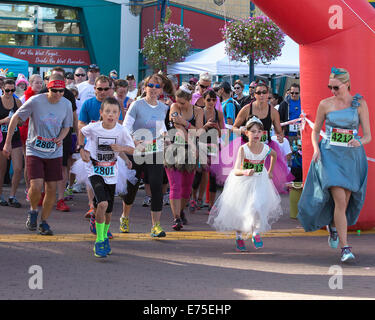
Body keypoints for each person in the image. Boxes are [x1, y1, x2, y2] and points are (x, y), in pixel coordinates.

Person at [297, 67, 371, 263]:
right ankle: (345, 248)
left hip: (351, 157)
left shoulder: (360, 103)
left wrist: (359, 142)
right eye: (330, 87)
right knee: (339, 198)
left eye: (336, 87)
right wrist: (316, 149)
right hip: (329, 155)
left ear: (346, 83)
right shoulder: (325, 104)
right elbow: (315, 132)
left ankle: (333, 226)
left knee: (344, 202)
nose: (333, 91)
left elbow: (368, 136)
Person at [3, 73, 73, 235]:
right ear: (48, 88)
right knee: (36, 185)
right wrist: (7, 142)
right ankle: (33, 210)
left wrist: (60, 138)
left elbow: (67, 126)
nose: (58, 94)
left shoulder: (66, 104)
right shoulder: (36, 101)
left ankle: (44, 221)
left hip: (54, 151)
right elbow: (15, 119)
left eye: (61, 91)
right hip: (35, 148)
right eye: (54, 91)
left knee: (51, 188)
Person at [208, 117, 282, 251]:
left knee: (257, 206)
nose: (256, 134)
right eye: (253, 131)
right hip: (243, 182)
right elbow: (236, 170)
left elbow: (275, 155)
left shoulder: (265, 148)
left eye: (259, 131)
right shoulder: (243, 149)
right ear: (246, 133)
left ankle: (256, 232)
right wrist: (245, 171)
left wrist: (270, 171)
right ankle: (239, 236)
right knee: (241, 210)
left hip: (260, 180)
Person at [211, 82, 294, 193]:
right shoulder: (246, 109)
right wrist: (241, 130)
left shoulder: (273, 112)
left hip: (264, 148)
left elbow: (279, 131)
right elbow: (234, 127)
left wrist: (280, 137)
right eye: (258, 92)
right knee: (245, 181)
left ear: (268, 94)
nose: (261, 95)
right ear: (254, 95)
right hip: (247, 147)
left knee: (263, 183)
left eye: (264, 92)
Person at [78, 97, 134, 257]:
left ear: (119, 115)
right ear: (101, 113)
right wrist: (82, 149)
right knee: (102, 203)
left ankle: (103, 232)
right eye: (107, 111)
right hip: (94, 170)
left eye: (114, 112)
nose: (111, 115)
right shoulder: (94, 128)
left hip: (111, 172)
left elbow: (132, 148)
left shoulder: (121, 130)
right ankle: (100, 240)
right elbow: (81, 131)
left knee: (108, 210)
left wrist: (123, 154)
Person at [120, 74, 169, 237]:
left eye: (158, 86)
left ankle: (156, 226)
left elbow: (163, 128)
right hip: (137, 151)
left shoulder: (163, 108)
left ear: (161, 90)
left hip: (156, 151)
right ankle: (125, 217)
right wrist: (135, 141)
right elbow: (126, 127)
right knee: (132, 187)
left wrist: (167, 139)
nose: (154, 89)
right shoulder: (136, 105)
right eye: (151, 86)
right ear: (145, 87)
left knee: (156, 186)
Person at [79, 75, 121, 238]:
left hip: (111, 153)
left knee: (109, 194)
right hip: (92, 149)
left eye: (106, 89)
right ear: (94, 89)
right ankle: (93, 208)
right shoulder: (88, 104)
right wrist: (82, 147)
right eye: (99, 89)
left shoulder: (114, 104)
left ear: (111, 89)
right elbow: (81, 124)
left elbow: (121, 126)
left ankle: (102, 222)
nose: (102, 92)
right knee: (95, 184)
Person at [164, 83, 203, 230]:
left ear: (189, 100)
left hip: (191, 152)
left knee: (187, 188)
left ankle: (180, 211)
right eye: (177, 101)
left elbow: (199, 131)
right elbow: (178, 129)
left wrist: (185, 122)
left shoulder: (198, 111)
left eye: (182, 102)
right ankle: (177, 218)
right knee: (175, 186)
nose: (178, 104)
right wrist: (192, 144)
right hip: (175, 148)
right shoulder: (174, 107)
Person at [190, 89, 224, 213]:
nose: (211, 102)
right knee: (199, 172)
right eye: (208, 99)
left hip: (214, 145)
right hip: (201, 144)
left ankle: (211, 203)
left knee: (213, 175)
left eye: (214, 100)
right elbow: (196, 132)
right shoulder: (199, 112)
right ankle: (194, 198)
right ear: (203, 100)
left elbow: (222, 133)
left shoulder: (218, 113)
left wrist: (216, 127)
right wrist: (205, 126)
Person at [0, 79, 23, 207]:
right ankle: (0, 195)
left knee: (18, 168)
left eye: (12, 90)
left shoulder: (17, 102)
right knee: (1, 170)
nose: (10, 93)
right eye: (7, 90)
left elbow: (22, 121)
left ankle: (12, 196)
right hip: (1, 139)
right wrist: (4, 120)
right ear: (3, 89)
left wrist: (16, 121)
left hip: (15, 138)